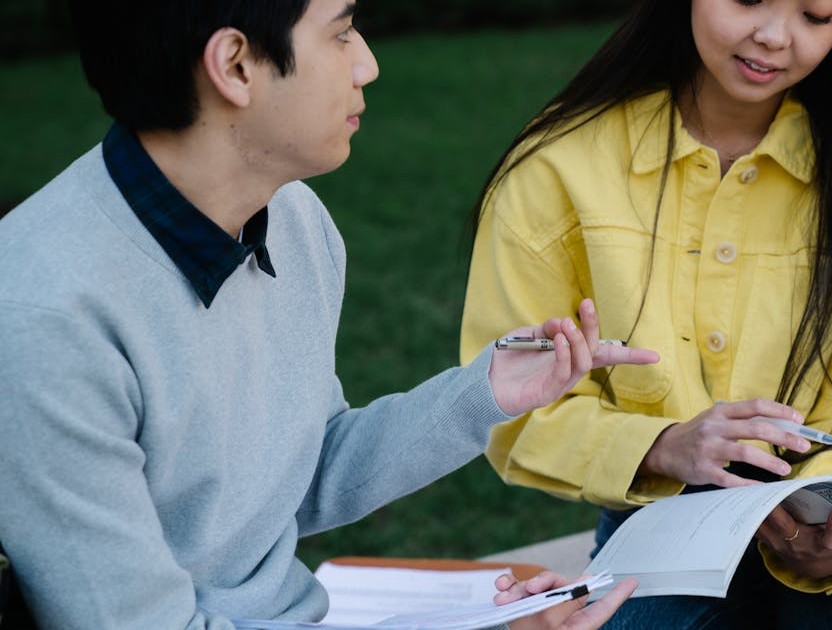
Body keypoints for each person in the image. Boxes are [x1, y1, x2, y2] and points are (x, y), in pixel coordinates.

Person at [0, 1, 655, 628]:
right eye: (341, 32)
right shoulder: (46, 321)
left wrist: (483, 393)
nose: (367, 63)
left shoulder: (291, 218)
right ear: (234, 65)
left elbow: (296, 474)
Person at [460, 0, 832, 627]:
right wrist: (662, 446)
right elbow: (506, 407)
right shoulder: (559, 166)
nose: (775, 36)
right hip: (658, 526)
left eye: (816, 14)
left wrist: (831, 522)